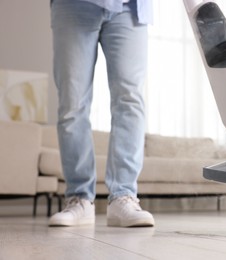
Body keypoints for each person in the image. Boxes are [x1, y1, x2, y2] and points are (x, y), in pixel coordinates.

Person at [49, 0, 154, 227]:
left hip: (131, 7)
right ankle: (79, 198)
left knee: (130, 101)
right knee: (72, 103)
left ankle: (123, 196)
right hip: (73, 5)